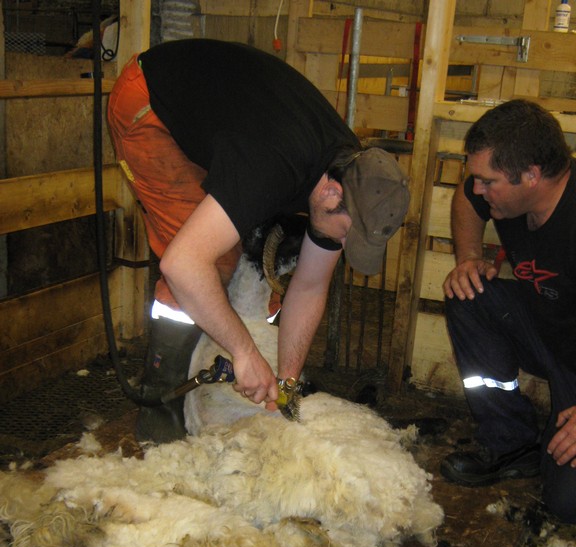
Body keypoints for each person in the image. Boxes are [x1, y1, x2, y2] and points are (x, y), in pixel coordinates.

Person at [107, 38, 410, 443]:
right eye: (345, 233)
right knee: (205, 260)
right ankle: (159, 410)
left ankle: (203, 381)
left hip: (225, 115)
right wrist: (245, 353)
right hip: (149, 102)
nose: (339, 242)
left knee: (223, 250)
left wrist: (288, 383)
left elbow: (311, 284)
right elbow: (180, 264)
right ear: (331, 193)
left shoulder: (348, 172)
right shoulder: (272, 167)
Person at [441, 98, 576, 524]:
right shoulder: (508, 196)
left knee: (568, 504)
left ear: (532, 175)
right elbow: (467, 199)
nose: (479, 189)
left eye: (489, 182)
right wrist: (468, 257)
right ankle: (510, 443)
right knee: (467, 293)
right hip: (548, 329)